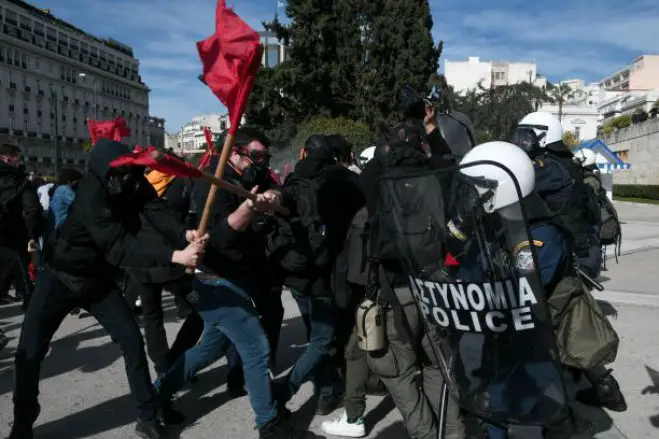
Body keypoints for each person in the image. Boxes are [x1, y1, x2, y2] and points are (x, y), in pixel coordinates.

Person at [9, 138, 206, 439]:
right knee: (29, 350)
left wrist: (183, 233)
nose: (122, 179)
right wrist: (174, 255)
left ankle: (147, 415)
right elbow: (118, 245)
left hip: (97, 279)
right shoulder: (91, 195)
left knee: (132, 342)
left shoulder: (133, 179)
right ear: (101, 172)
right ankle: (24, 418)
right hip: (59, 277)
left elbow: (155, 208)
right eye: (115, 173)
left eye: (125, 172)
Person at [154, 128, 316, 439]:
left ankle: (155, 396)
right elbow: (219, 239)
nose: (261, 162)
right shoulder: (210, 184)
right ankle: (270, 424)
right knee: (255, 348)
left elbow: (280, 190)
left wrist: (274, 195)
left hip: (243, 277)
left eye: (265, 157)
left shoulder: (253, 176)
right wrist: (247, 209)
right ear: (235, 153)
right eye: (256, 156)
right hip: (214, 280)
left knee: (209, 349)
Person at [514, 111, 601, 279]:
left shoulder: (549, 167)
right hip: (567, 245)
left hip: (565, 252)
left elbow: (515, 181)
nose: (521, 142)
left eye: (526, 137)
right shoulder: (564, 160)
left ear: (544, 137)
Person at [0, 144, 43, 310]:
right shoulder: (21, 182)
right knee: (23, 274)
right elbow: (32, 210)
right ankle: (30, 307)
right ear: (7, 158)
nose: (20, 162)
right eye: (17, 158)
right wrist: (32, 235)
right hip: (13, 234)